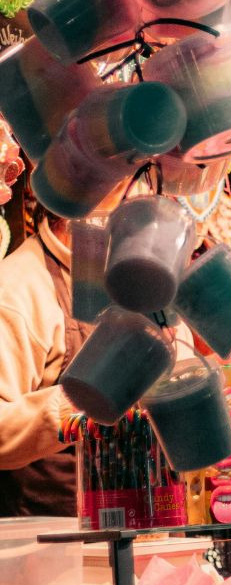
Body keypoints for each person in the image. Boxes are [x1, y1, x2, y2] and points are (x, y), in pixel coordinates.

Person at [0, 205, 192, 516]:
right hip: (53, 546)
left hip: (149, 528)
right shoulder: (20, 288)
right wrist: (86, 398)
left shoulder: (141, 276)